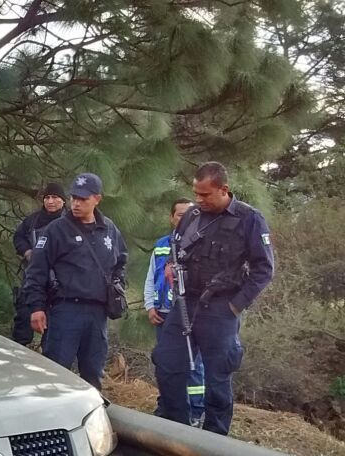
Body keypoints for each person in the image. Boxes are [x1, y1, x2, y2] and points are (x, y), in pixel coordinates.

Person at [154, 162, 274, 435]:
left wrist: (235, 305)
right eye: (196, 193)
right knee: (167, 363)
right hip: (186, 302)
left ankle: (214, 439)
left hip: (221, 308)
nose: (199, 200)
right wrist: (172, 266)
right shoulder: (192, 215)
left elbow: (264, 270)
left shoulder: (250, 219)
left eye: (205, 194)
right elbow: (176, 246)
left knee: (218, 377)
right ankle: (177, 428)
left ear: (224, 190)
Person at [23, 172, 127, 391]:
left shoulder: (109, 229)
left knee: (93, 374)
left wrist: (117, 285)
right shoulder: (56, 230)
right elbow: (36, 271)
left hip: (97, 313)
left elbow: (121, 261)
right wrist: (36, 307)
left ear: (97, 199)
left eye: (83, 199)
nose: (76, 203)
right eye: (74, 198)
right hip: (66, 310)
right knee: (56, 373)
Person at [145, 198, 206, 426]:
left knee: (193, 364)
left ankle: (196, 409)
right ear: (172, 218)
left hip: (189, 314)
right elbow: (151, 277)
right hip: (163, 313)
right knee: (165, 363)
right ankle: (167, 406)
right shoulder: (162, 244)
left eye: (189, 214)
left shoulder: (200, 241)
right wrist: (150, 306)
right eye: (179, 214)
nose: (184, 218)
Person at [11, 183, 67, 346]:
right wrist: (27, 252)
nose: (50, 201)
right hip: (33, 277)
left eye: (55, 197)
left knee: (54, 328)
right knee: (23, 318)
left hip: (60, 280)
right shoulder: (32, 220)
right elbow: (18, 237)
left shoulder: (70, 222)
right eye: (47, 197)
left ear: (63, 201)